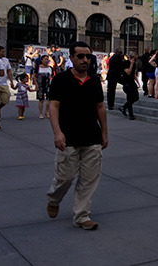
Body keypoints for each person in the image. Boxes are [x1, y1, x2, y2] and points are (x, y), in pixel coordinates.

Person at [46, 41, 108, 230]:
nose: (85, 60)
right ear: (71, 58)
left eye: (88, 56)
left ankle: (81, 216)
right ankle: (54, 199)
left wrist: (105, 133)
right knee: (65, 178)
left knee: (89, 179)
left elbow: (100, 108)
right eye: (80, 56)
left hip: (92, 138)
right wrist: (57, 132)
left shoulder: (94, 80)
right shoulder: (61, 80)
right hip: (68, 138)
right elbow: (53, 106)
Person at [119, 51, 139, 120]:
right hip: (127, 82)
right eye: (135, 58)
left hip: (132, 82)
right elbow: (128, 72)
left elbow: (133, 73)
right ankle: (131, 114)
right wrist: (131, 64)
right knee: (129, 98)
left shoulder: (134, 64)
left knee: (136, 97)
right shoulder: (126, 63)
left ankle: (124, 107)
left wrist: (137, 82)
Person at [0, 46, 15, 114]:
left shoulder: (6, 60)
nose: (4, 53)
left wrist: (11, 81)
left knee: (6, 98)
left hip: (4, 83)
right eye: (2, 52)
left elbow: (8, 71)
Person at [34, 55, 53, 119]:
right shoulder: (38, 68)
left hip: (48, 85)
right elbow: (34, 76)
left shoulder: (50, 68)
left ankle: (46, 112)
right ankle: (40, 113)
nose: (46, 60)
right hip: (40, 85)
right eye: (45, 59)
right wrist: (36, 84)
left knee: (49, 99)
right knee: (41, 99)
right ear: (41, 60)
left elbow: (52, 76)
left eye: (47, 59)